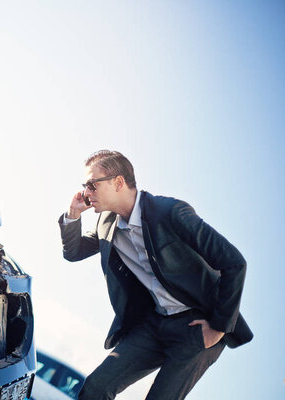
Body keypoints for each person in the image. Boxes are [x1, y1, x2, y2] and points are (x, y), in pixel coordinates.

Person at [58, 150, 252, 400]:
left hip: (196, 326)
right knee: (96, 387)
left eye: (91, 185)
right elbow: (74, 252)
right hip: (153, 323)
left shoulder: (169, 211)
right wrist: (72, 215)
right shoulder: (107, 224)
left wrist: (218, 328)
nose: (86, 192)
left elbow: (234, 262)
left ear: (118, 182)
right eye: (85, 186)